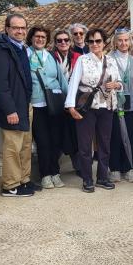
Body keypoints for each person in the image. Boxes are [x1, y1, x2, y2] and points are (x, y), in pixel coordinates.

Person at [65, 28, 123, 193]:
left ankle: (103, 177)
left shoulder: (111, 61)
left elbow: (119, 82)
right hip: (87, 108)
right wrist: (70, 107)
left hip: (107, 107)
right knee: (85, 145)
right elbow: (73, 83)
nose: (94, 44)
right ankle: (87, 179)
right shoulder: (83, 60)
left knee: (105, 144)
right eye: (91, 41)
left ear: (104, 43)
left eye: (98, 41)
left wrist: (116, 85)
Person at [0, 14, 36, 197]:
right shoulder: (0, 50)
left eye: (23, 28)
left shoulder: (20, 48)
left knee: (25, 146)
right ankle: (10, 185)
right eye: (16, 27)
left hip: (24, 105)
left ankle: (23, 180)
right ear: (7, 29)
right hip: (13, 108)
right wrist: (9, 109)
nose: (20, 31)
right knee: (12, 148)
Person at [26, 26, 68, 189]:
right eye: (37, 36)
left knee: (55, 140)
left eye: (43, 37)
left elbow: (61, 78)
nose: (40, 39)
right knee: (43, 142)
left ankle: (55, 173)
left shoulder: (50, 56)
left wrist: (68, 101)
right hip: (36, 104)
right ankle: (45, 175)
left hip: (54, 103)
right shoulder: (26, 55)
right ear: (31, 38)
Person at [108, 28, 133, 183]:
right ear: (115, 42)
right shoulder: (109, 59)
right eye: (120, 40)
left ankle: (129, 168)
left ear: (130, 42)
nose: (123, 43)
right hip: (113, 105)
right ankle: (114, 169)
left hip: (129, 106)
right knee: (115, 137)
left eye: (126, 40)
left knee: (130, 136)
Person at [50, 29, 82, 173]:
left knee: (75, 135)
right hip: (55, 101)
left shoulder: (77, 57)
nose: (63, 43)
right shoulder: (50, 58)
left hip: (74, 102)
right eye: (59, 40)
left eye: (66, 40)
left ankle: (79, 167)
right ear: (55, 43)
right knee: (55, 135)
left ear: (70, 42)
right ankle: (53, 169)